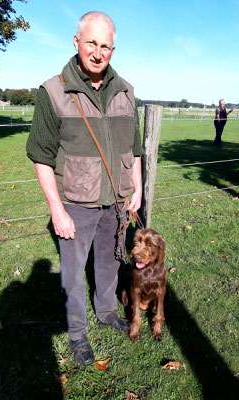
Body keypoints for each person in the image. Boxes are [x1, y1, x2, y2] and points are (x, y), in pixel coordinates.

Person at [26, 11, 142, 366]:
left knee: (108, 262)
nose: (97, 52)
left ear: (113, 49)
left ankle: (107, 313)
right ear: (76, 42)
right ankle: (77, 334)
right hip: (75, 202)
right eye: (91, 42)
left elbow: (133, 148)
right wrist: (56, 209)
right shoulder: (53, 91)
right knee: (73, 274)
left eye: (105, 45)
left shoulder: (126, 91)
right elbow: (41, 156)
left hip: (118, 201)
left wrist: (135, 187)